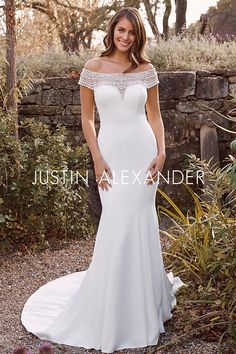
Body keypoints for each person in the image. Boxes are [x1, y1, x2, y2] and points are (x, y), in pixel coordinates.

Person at [21, 7, 185, 353]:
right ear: (112, 31)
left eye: (132, 34)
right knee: (117, 223)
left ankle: (144, 305)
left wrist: (162, 151)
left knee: (141, 221)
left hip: (143, 156)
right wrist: (97, 158)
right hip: (110, 155)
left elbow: (154, 116)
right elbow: (86, 118)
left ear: (138, 38)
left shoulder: (147, 69)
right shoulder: (92, 69)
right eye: (121, 31)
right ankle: (113, 309)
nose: (126, 38)